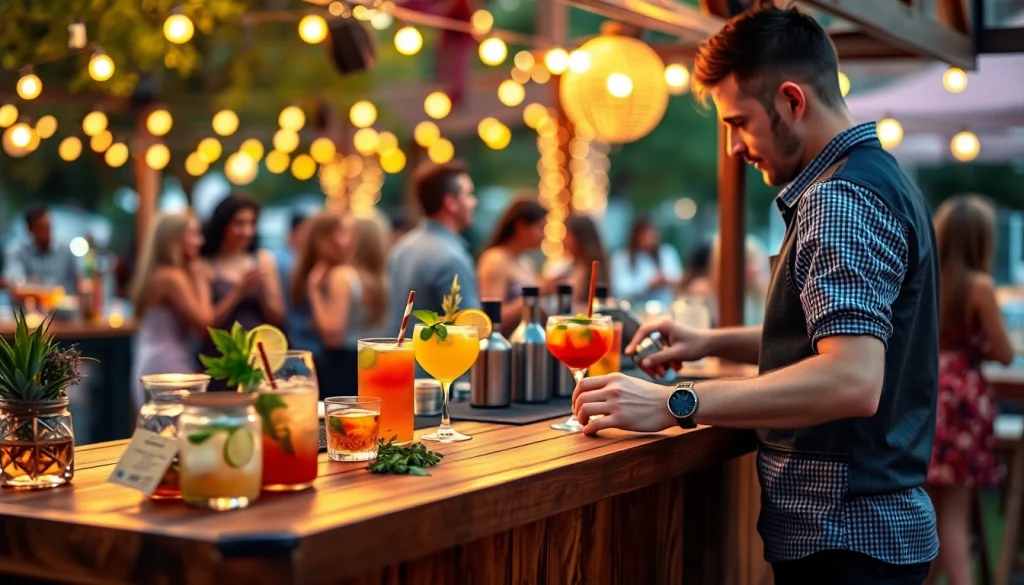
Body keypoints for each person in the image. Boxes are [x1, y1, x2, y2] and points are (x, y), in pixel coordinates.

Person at [572, 7, 939, 584]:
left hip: (846, 542)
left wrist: (675, 403)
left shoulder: (837, 199)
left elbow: (852, 378)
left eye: (739, 122)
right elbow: (842, 337)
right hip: (866, 536)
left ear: (792, 100)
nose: (734, 147)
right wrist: (710, 340)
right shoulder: (881, 176)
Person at [926, 196, 1014, 585]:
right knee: (956, 518)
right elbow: (1005, 353)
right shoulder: (979, 286)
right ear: (981, 240)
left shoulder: (927, 279)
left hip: (928, 394)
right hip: (962, 402)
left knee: (926, 515)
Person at [289, 211, 390, 396]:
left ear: (359, 240)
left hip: (342, 363)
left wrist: (314, 291)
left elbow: (332, 336)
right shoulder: (381, 278)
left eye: (345, 233)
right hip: (371, 361)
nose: (338, 239)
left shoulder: (342, 275)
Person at [198, 194, 286, 389]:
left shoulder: (262, 260)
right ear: (222, 224)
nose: (247, 231)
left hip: (259, 362)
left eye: (251, 223)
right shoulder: (205, 266)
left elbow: (279, 317)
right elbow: (206, 325)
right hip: (222, 362)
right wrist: (239, 291)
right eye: (239, 223)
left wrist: (262, 290)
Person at [129, 212, 213, 408]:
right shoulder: (172, 278)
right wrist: (201, 279)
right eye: (193, 234)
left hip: (151, 358)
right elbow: (204, 324)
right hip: (168, 363)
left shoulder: (157, 273)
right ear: (174, 239)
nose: (200, 241)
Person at [388, 161, 480, 334]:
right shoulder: (451, 257)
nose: (474, 202)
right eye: (468, 195)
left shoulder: (401, 248)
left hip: (399, 358)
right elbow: (469, 329)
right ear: (450, 203)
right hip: (433, 360)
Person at [477, 197, 548, 336]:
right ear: (521, 226)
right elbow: (492, 318)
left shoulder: (526, 261)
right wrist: (537, 294)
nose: (544, 235)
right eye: (540, 228)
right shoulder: (496, 260)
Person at [3, 205, 79, 293]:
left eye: (48, 227)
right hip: (29, 303)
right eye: (42, 228)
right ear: (30, 230)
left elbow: (80, 279)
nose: (47, 233)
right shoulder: (18, 252)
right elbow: (12, 279)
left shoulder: (66, 250)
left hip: (63, 304)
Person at [610, 217, 683, 307]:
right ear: (635, 236)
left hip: (665, 306)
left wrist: (666, 280)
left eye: (652, 234)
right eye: (644, 235)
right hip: (633, 308)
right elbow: (620, 289)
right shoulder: (622, 257)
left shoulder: (667, 253)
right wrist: (648, 285)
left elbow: (679, 280)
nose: (649, 238)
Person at [560, 214, 610, 308]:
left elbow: (599, 307)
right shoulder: (573, 266)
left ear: (579, 237)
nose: (563, 239)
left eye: (567, 234)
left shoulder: (592, 268)